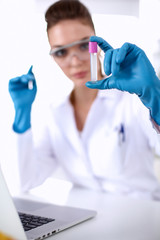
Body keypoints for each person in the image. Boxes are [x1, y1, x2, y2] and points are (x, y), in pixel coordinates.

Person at [8, 0, 160, 200]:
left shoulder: (132, 101)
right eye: (61, 51)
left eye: (83, 45)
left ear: (96, 45)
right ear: (53, 56)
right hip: (85, 221)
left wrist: (155, 96)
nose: (74, 61)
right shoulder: (56, 113)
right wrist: (22, 115)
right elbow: (27, 181)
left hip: (143, 216)